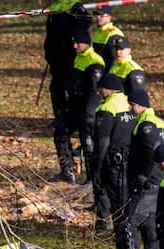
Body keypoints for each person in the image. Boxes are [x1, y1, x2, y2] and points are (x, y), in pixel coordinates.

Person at [118, 89, 164, 249]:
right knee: (150, 228)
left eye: (132, 104)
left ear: (139, 104)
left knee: (131, 225)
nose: (130, 107)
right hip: (157, 182)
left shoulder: (145, 124)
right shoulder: (159, 122)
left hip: (146, 184)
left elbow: (152, 150)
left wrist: (144, 174)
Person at [90, 73, 136, 249]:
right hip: (131, 162)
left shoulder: (107, 108)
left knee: (118, 208)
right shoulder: (129, 104)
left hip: (114, 164)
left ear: (109, 89)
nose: (98, 91)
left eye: (100, 88)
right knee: (128, 206)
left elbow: (102, 142)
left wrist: (96, 168)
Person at [54, 29, 105, 184]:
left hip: (87, 110)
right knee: (60, 133)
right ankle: (68, 171)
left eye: (78, 43)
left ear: (87, 43)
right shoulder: (77, 57)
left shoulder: (94, 61)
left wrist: (89, 116)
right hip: (74, 108)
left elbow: (95, 92)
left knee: (88, 143)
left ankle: (92, 178)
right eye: (74, 42)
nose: (75, 45)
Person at [45, 0, 91, 152]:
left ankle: (76, 119)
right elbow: (49, 33)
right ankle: (60, 117)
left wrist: (73, 39)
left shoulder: (74, 4)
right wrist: (48, 52)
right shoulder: (53, 6)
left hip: (70, 57)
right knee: (55, 89)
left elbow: (86, 21)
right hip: (56, 58)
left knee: (73, 89)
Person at [91, 6, 124, 70]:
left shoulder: (114, 33)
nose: (98, 17)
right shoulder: (97, 32)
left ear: (109, 18)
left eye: (101, 15)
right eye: (97, 15)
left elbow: (117, 58)